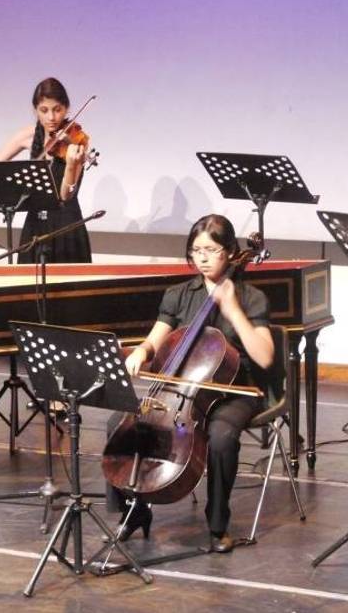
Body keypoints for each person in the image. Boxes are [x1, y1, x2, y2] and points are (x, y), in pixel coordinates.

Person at [106, 214, 275, 553]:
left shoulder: (251, 297)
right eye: (196, 250)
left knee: (222, 437)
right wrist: (140, 352)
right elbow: (155, 339)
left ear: (230, 252)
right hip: (181, 389)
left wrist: (233, 310)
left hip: (232, 391)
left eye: (211, 250)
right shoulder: (179, 295)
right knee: (118, 423)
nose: (202, 258)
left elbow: (266, 356)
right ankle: (134, 510)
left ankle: (218, 523)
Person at [0, 77, 92, 263]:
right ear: (35, 110)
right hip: (35, 225)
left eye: (57, 110)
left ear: (67, 108)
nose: (51, 117)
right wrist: (17, 183)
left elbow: (66, 196)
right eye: (44, 110)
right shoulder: (28, 135)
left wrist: (72, 165)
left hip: (67, 227)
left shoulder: (76, 140)